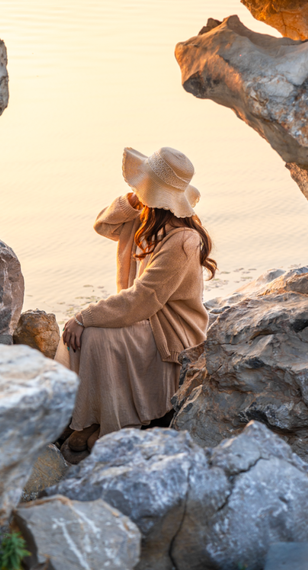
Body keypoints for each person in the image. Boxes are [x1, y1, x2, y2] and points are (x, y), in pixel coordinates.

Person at [55, 145, 216, 462]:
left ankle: (114, 425)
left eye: (142, 186)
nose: (137, 191)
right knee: (80, 333)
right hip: (143, 318)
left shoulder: (184, 239)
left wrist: (85, 316)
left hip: (169, 332)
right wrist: (134, 198)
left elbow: (143, 300)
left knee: (95, 335)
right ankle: (91, 419)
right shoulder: (142, 219)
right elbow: (104, 225)